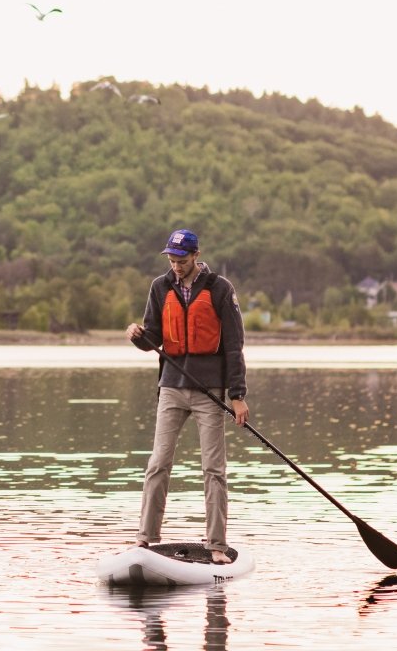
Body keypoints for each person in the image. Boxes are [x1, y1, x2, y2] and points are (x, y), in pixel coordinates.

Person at [125, 229, 250, 564]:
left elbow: (234, 347)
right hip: (171, 387)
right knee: (158, 463)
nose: (176, 266)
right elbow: (153, 337)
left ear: (196, 255)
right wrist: (138, 336)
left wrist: (237, 395)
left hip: (210, 391)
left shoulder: (221, 289)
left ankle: (217, 546)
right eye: (171, 259)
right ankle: (145, 540)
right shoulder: (159, 287)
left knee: (213, 469)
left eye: (181, 260)